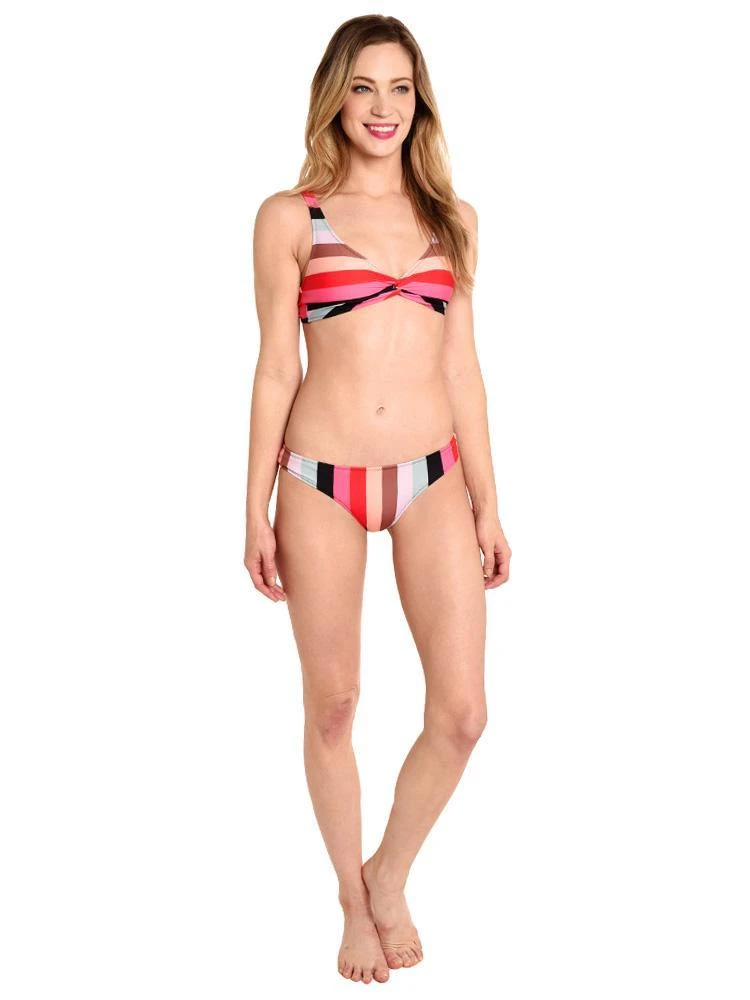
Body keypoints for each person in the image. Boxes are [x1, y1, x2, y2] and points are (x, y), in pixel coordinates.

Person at [244, 14, 511, 985]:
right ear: (336, 97)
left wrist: (488, 502)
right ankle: (351, 904)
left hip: (432, 475)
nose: (382, 107)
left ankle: (387, 872)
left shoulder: (452, 220)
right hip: (319, 479)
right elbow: (277, 368)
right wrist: (252, 506)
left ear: (419, 102)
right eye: (363, 87)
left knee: (464, 712)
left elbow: (464, 369)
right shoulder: (291, 217)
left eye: (400, 88)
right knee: (334, 704)